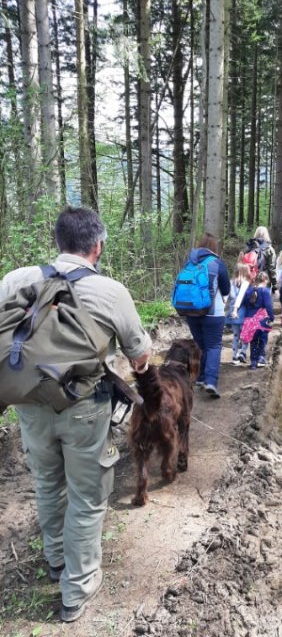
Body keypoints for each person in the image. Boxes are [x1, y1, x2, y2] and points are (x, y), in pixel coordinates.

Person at [0, 206, 152, 623]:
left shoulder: (17, 279)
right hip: (84, 408)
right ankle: (77, 588)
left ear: (57, 241)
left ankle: (55, 561)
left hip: (28, 405)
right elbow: (139, 358)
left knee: (47, 484)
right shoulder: (111, 291)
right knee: (87, 496)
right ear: (97, 245)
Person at [184, 233, 230, 398]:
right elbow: (225, 290)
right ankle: (210, 381)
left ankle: (199, 378)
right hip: (213, 313)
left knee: (200, 345)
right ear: (214, 247)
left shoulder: (189, 262)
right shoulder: (218, 263)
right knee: (213, 346)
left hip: (191, 312)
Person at [240, 271, 274, 369]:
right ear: (265, 280)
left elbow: (244, 303)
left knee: (253, 341)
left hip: (249, 321)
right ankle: (261, 358)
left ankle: (253, 362)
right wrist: (271, 317)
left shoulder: (249, 290)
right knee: (263, 340)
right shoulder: (265, 291)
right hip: (262, 320)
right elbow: (268, 306)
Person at [225, 263, 250, 365]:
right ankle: (242, 352)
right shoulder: (246, 283)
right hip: (243, 313)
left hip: (232, 313)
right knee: (245, 334)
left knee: (236, 335)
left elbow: (226, 298)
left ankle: (234, 357)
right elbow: (240, 298)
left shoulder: (230, 283)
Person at [246, 226, 277, 293]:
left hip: (250, 279)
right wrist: (274, 284)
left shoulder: (249, 246)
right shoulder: (269, 248)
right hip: (264, 279)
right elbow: (271, 268)